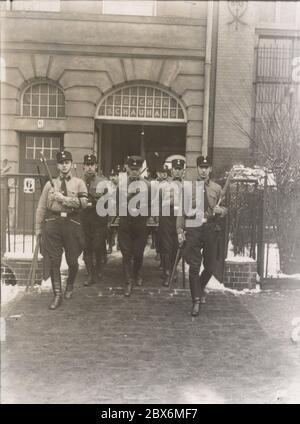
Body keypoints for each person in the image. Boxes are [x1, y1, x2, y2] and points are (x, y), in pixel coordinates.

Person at [35, 150, 88, 310]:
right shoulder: (49, 185)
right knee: (54, 261)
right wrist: (38, 228)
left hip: (71, 223)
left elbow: (84, 203)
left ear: (71, 164)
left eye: (67, 162)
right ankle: (57, 294)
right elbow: (41, 207)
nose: (64, 166)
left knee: (72, 261)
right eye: (61, 163)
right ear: (57, 166)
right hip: (53, 224)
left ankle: (70, 285)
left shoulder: (79, 183)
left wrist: (65, 199)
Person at [177, 155, 227, 316]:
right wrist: (179, 231)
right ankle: (196, 301)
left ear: (210, 169)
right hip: (193, 227)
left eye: (206, 167)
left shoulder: (217, 189)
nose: (204, 170)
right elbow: (181, 212)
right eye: (201, 167)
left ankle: (198, 287)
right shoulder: (188, 188)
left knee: (211, 266)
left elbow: (225, 208)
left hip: (211, 228)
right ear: (197, 168)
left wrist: (221, 211)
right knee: (194, 265)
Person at [117, 155, 150, 296]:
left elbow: (151, 204)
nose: (135, 172)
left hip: (140, 223)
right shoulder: (121, 185)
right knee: (126, 253)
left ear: (140, 170)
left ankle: (137, 273)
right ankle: (128, 281)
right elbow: (116, 203)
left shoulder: (147, 185)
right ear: (128, 169)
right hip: (125, 222)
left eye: (137, 169)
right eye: (132, 169)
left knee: (138, 252)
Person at [81, 154, 108, 286]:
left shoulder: (103, 182)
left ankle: (98, 268)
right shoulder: (79, 182)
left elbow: (109, 201)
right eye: (87, 165)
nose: (90, 167)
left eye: (92, 165)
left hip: (99, 219)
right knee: (86, 247)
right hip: (84, 219)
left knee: (97, 246)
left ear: (96, 166)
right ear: (84, 167)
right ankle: (90, 274)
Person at [158, 158, 185, 286]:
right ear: (172, 170)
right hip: (166, 215)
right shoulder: (163, 185)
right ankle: (167, 271)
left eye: (180, 169)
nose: (177, 171)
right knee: (166, 245)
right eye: (175, 169)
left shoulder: (186, 185)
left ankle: (173, 270)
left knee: (177, 244)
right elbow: (157, 201)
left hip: (179, 216)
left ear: (183, 171)